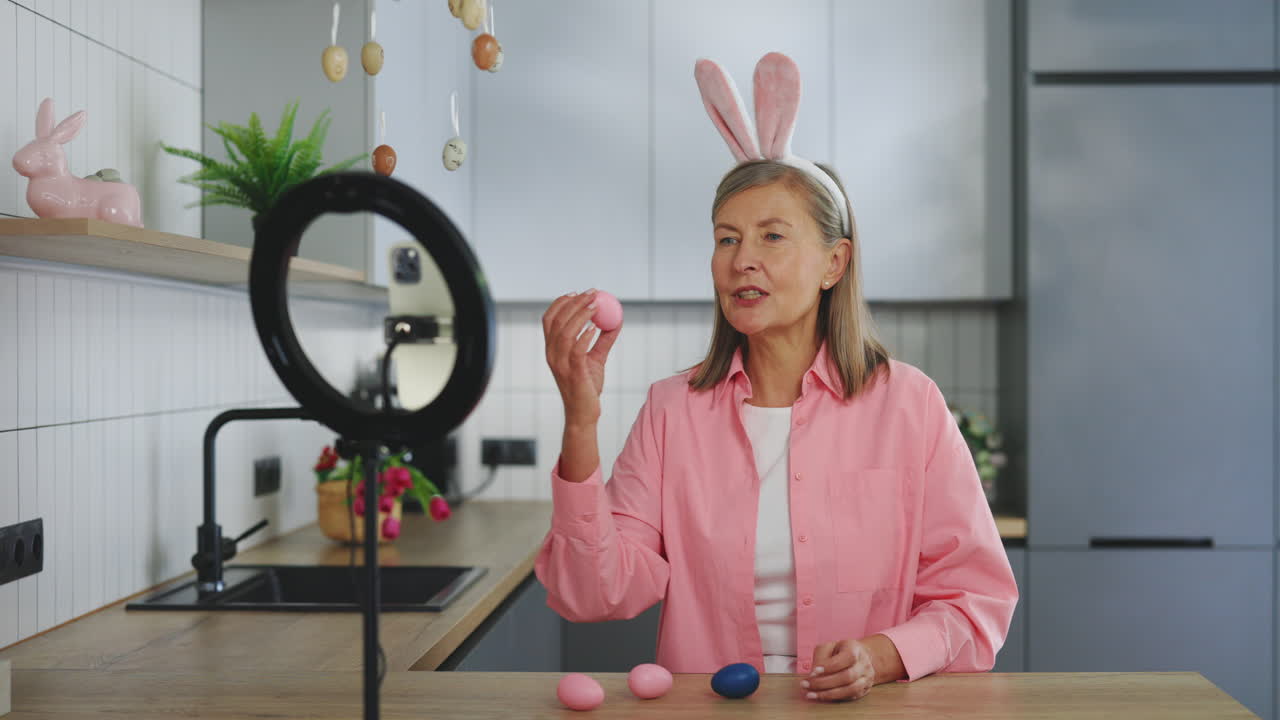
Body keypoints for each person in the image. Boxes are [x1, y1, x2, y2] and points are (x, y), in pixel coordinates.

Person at [534, 52, 1017, 703]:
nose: (743, 261)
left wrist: (884, 656)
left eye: (771, 236)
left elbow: (977, 599)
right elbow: (592, 594)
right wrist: (580, 423)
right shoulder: (672, 411)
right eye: (727, 239)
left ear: (833, 263)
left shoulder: (909, 406)